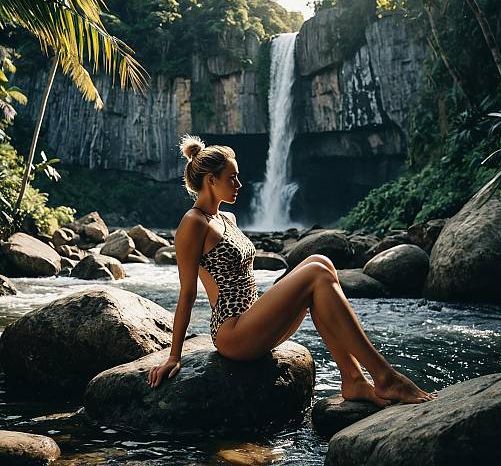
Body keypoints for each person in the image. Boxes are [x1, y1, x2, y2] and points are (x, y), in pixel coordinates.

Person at [147, 135, 435, 406]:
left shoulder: (227, 218)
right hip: (232, 331)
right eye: (232, 177)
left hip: (254, 318)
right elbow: (187, 292)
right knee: (317, 272)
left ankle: (353, 378)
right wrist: (174, 356)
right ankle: (385, 377)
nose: (239, 183)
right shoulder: (193, 223)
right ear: (211, 180)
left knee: (320, 263)